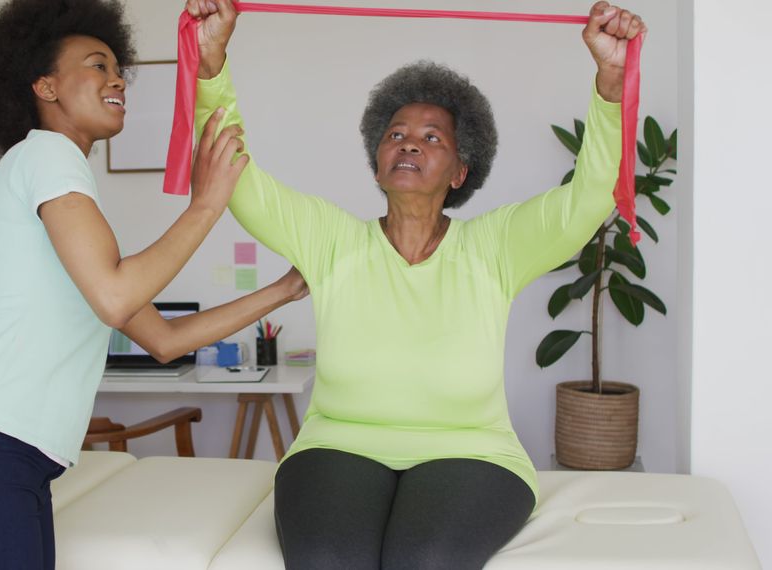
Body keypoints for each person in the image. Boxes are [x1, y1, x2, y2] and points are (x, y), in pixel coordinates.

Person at [185, 0, 646, 568]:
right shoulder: (332, 240)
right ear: (377, 160)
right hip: (338, 444)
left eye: (432, 138)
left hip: (472, 450)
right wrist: (212, 66)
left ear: (459, 172)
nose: (409, 143)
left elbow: (590, 196)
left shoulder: (496, 246)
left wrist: (611, 81)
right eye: (396, 134)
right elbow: (238, 178)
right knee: (329, 556)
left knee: (423, 559)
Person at [0, 1, 308, 568]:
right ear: (45, 86)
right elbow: (115, 299)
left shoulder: (61, 184)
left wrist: (284, 289)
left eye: (118, 69)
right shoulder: (47, 155)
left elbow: (163, 339)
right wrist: (206, 204)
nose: (117, 80)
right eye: (97, 66)